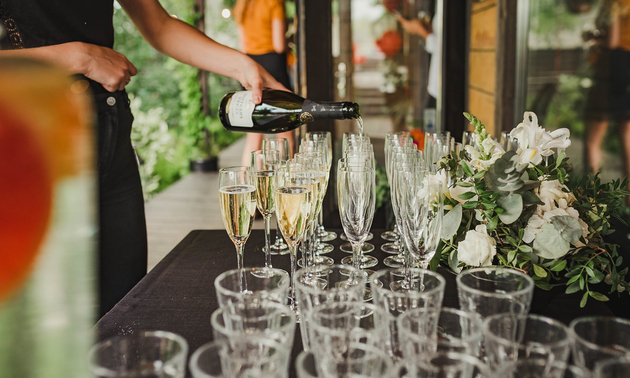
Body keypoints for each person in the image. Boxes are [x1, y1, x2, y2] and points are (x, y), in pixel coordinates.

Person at [0, 0, 286, 317]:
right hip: (28, 146)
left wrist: (243, 66)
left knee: (125, 309)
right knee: (47, 323)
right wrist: (80, 56)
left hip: (109, 130)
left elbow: (158, 25)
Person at [233, 0, 295, 166]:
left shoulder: (242, 5)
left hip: (249, 66)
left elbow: (243, 46)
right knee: (284, 132)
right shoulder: (274, 2)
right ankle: (284, 184)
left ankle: (247, 185)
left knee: (253, 135)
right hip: (273, 67)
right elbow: (279, 45)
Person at [584, 0, 630, 189]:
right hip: (627, 72)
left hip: (612, 70)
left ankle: (591, 198)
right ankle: (628, 202)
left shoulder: (615, 3)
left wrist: (594, 38)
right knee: (627, 139)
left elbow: (611, 41)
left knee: (593, 141)